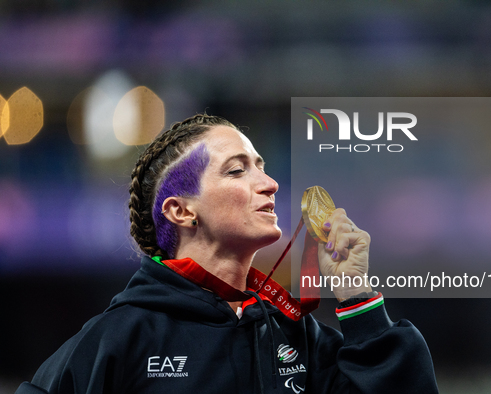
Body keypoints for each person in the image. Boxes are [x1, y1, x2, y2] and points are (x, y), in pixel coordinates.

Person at [16, 114, 438, 393]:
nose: (270, 182)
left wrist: (356, 295)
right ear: (181, 210)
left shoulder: (296, 337)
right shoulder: (119, 338)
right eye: (238, 170)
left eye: (261, 165)